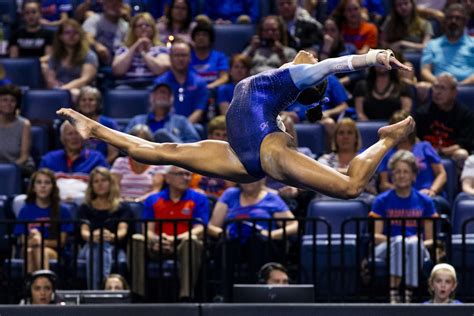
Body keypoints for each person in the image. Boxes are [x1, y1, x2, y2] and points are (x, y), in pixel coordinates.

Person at [57, 48, 414, 200]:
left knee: (351, 187)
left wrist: (375, 57)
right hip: (240, 155)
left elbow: (331, 66)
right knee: (161, 151)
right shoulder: (281, 79)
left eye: (312, 59)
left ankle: (386, 138)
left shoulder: (295, 76)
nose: (312, 56)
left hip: (266, 149)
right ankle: (93, 128)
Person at [370, 150, 438, 304]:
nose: (401, 175)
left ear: (414, 176)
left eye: (406, 172)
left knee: (412, 243)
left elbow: (430, 240)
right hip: (387, 247)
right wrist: (397, 241)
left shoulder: (425, 201)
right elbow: (376, 236)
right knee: (401, 241)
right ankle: (394, 292)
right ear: (392, 176)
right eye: (397, 172)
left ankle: (408, 292)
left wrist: (412, 242)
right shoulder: (381, 201)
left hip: (416, 247)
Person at [132, 165, 210, 299]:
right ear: (167, 178)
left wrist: (175, 239)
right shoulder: (154, 199)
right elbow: (148, 231)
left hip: (183, 245)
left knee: (191, 241)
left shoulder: (199, 198)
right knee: (137, 238)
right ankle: (138, 294)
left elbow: (200, 228)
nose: (186, 178)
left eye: (188, 174)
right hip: (157, 245)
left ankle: (186, 296)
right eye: (180, 174)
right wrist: (157, 240)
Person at [379, 110, 450, 215]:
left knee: (431, 203)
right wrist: (403, 192)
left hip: (428, 195)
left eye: (403, 128)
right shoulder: (387, 153)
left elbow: (441, 174)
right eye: (397, 128)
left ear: (410, 129)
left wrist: (432, 190)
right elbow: (384, 184)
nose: (400, 132)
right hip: (398, 197)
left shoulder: (424, 147)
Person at [77, 167, 133, 289]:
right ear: (91, 185)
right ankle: (103, 289)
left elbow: (123, 231)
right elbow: (84, 232)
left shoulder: (122, 207)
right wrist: (93, 236)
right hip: (88, 248)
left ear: (110, 183)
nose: (100, 184)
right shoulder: (85, 207)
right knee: (97, 246)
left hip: (115, 248)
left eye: (103, 180)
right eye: (96, 181)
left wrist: (111, 236)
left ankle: (96, 290)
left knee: (103, 246)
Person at [14, 169, 73, 273]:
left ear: (53, 187)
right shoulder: (25, 210)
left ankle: (39, 285)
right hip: (30, 248)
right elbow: (23, 240)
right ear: (33, 188)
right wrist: (34, 241)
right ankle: (40, 285)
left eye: (47, 182)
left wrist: (40, 242)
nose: (43, 186)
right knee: (30, 251)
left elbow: (61, 242)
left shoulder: (63, 210)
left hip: (55, 251)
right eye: (39, 182)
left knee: (38, 250)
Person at [39, 121, 109, 203]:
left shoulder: (97, 158)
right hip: (55, 203)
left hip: (87, 203)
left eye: (77, 133)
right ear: (62, 138)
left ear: (84, 136)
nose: (74, 137)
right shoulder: (49, 159)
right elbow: (40, 185)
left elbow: (106, 186)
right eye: (70, 134)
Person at [414, 73, 474, 166]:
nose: (437, 92)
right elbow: (416, 139)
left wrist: (440, 151)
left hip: (452, 154)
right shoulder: (422, 112)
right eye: (436, 87)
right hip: (425, 154)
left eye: (442, 88)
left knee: (462, 154)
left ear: (454, 92)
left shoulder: (465, 115)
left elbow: (464, 144)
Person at [317, 118, 377, 204]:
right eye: (341, 133)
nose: (345, 137)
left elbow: (368, 182)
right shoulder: (325, 159)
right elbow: (320, 178)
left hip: (361, 201)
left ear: (356, 138)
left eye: (350, 133)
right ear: (335, 138)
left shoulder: (365, 159)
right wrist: (353, 176)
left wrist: (334, 174)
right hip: (329, 200)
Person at [152, 40, 208, 123]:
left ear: (190, 58)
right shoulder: (160, 82)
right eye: (177, 55)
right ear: (170, 58)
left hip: (191, 127)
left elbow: (199, 111)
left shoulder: (200, 82)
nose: (181, 59)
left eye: (184, 55)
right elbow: (158, 111)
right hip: (166, 126)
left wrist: (183, 127)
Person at [124, 82, 200, 143]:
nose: (162, 96)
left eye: (165, 93)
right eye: (159, 93)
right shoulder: (137, 121)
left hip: (172, 159)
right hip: (141, 158)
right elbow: (124, 143)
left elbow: (195, 143)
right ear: (151, 97)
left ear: (171, 99)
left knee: (161, 134)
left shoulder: (181, 121)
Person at [42, 19, 98, 99]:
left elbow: (84, 80)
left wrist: (63, 90)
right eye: (67, 33)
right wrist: (59, 90)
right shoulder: (54, 56)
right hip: (59, 91)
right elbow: (51, 79)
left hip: (83, 93)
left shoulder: (89, 55)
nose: (71, 36)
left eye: (75, 33)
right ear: (60, 36)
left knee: (75, 94)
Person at [112, 12, 170, 89]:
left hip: (152, 83)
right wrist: (135, 47)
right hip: (127, 83)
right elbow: (118, 71)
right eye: (139, 26)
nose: (143, 27)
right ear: (133, 30)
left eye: (147, 25)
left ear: (153, 29)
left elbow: (160, 70)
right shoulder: (123, 49)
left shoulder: (161, 49)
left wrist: (144, 53)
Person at [111, 124, 167, 202]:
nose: (139, 146)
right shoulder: (120, 162)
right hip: (122, 203)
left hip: (146, 204)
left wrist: (137, 201)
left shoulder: (158, 165)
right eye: (136, 142)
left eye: (143, 141)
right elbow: (114, 188)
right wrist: (123, 200)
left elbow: (155, 191)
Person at [421, 3, 474, 85]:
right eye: (450, 18)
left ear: (464, 22)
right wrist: (441, 84)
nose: (453, 21)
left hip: (468, 90)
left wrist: (461, 85)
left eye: (458, 18)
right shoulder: (432, 44)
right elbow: (425, 71)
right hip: (440, 88)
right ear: (445, 21)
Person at [74, 86, 119, 164]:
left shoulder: (109, 124)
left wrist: (100, 167)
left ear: (98, 103)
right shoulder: (72, 123)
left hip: (102, 168)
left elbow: (113, 154)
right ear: (78, 104)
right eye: (83, 100)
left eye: (91, 100)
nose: (87, 103)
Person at [0, 84, 35, 176]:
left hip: (19, 167)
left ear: (17, 104)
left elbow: (24, 156)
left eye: (12, 101)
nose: (8, 103)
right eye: (4, 100)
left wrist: (8, 170)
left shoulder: (24, 124)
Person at [82, 0, 129, 66]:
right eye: (110, 2)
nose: (113, 5)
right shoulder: (94, 19)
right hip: (96, 63)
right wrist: (97, 46)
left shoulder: (125, 26)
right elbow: (87, 37)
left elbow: (128, 45)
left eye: (117, 3)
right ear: (104, 4)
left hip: (118, 63)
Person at [190, 22, 229, 90]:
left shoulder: (219, 57)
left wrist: (209, 87)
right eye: (198, 35)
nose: (201, 37)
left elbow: (224, 78)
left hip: (212, 91)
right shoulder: (187, 57)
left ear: (210, 39)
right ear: (193, 38)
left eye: (204, 35)